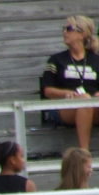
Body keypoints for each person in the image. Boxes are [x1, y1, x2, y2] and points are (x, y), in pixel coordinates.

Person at [40, 16, 99, 151]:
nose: (64, 32)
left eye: (69, 29)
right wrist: (67, 93)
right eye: (64, 29)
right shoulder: (57, 60)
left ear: (82, 34)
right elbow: (48, 90)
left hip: (93, 105)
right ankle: (84, 151)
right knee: (84, 102)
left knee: (87, 102)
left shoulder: (96, 60)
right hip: (65, 106)